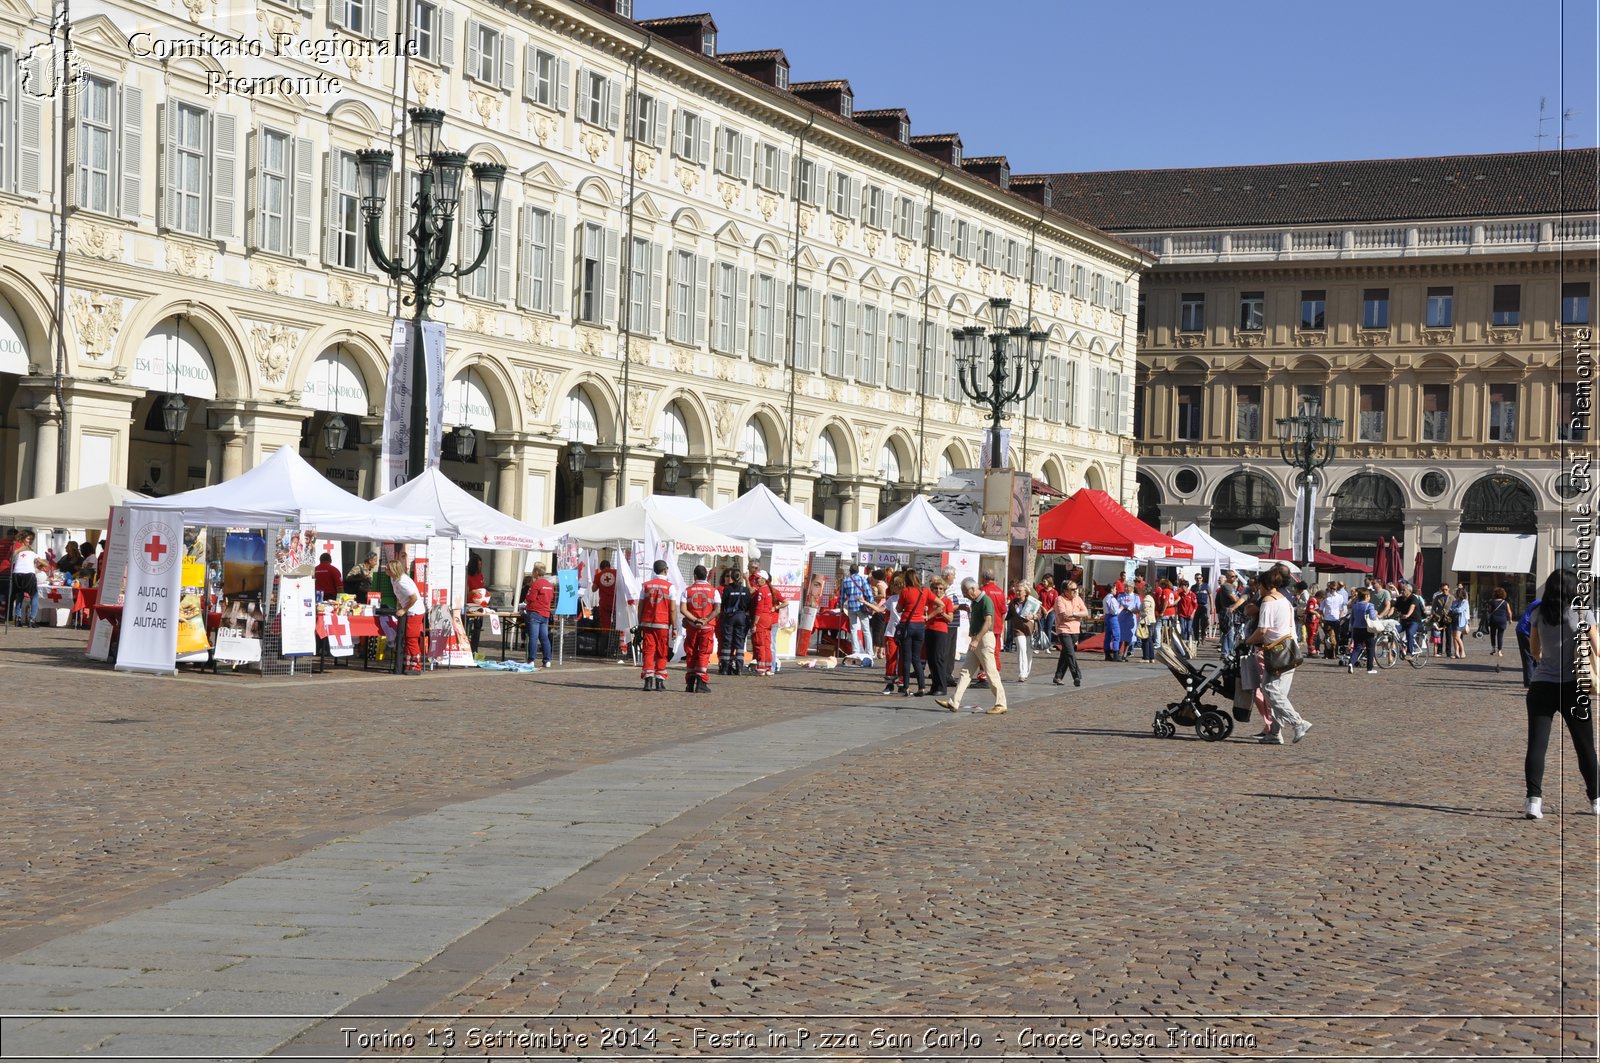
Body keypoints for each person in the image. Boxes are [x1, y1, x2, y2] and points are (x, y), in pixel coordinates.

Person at [1522, 568, 1600, 819]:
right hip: (1573, 686)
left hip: (1542, 685)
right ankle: (1596, 800)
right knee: (1585, 746)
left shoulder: (1537, 612)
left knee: (1537, 745)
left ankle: (1534, 802)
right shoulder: (1582, 613)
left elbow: (1535, 651)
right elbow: (1598, 650)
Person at [1247, 564, 1313, 745]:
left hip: (1276, 652)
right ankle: (1275, 733)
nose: (1259, 590)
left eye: (1260, 586)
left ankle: (1298, 722)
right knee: (1277, 694)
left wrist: (1247, 641)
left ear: (1267, 586)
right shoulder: (1284, 600)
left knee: (1270, 690)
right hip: (1290, 650)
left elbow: (1262, 630)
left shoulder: (1268, 601)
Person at [937, 577, 1008, 715]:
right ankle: (954, 702)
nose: (964, 595)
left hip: (984, 639)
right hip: (976, 639)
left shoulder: (985, 600)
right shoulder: (975, 602)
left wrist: (977, 640)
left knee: (991, 672)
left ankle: (1001, 703)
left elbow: (988, 622)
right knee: (966, 672)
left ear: (973, 589)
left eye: (965, 592)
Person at [680, 565, 720, 693]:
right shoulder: (714, 591)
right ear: (707, 576)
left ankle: (690, 683)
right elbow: (717, 609)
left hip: (692, 626)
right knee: (704, 653)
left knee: (691, 652)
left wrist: (694, 620)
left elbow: (683, 609)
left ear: (695, 576)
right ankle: (701, 683)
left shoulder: (687, 590)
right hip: (707, 626)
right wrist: (705, 620)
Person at [638, 559, 676, 691]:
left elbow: (640, 606)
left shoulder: (646, 585)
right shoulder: (670, 587)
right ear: (665, 569)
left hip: (647, 622)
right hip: (662, 624)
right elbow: (672, 609)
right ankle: (659, 681)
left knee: (648, 651)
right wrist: (674, 627)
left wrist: (639, 623)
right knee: (662, 652)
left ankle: (648, 681)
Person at [895, 570, 932, 697]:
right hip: (920, 625)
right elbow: (940, 604)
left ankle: (906, 687)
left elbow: (898, 609)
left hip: (907, 625)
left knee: (906, 658)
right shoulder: (924, 591)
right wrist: (928, 615)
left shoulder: (905, 591)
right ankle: (921, 687)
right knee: (917, 658)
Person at [387, 557, 425, 674]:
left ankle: (416, 666)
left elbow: (414, 597)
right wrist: (400, 606)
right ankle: (408, 665)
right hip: (409, 610)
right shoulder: (394, 579)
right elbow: (399, 596)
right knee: (407, 638)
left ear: (393, 570)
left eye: (388, 568)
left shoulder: (402, 581)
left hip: (415, 611)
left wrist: (403, 609)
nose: (386, 570)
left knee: (411, 638)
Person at [1051, 581, 1091, 687]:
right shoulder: (1059, 599)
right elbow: (1063, 617)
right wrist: (1078, 616)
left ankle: (1058, 676)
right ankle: (1076, 676)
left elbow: (1086, 613)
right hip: (1063, 630)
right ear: (1065, 591)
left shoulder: (1078, 599)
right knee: (1070, 652)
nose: (1075, 591)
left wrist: (1074, 614)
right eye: (1072, 589)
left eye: (1076, 589)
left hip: (1075, 630)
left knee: (1065, 653)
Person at [839, 564, 877, 666]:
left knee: (853, 629)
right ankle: (869, 652)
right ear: (858, 571)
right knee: (866, 630)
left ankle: (855, 651)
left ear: (850, 571)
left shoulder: (845, 580)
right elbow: (868, 593)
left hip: (851, 607)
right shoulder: (862, 579)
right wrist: (871, 603)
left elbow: (842, 596)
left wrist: (841, 606)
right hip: (862, 606)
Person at [718, 568, 752, 675]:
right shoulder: (745, 590)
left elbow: (723, 603)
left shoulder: (727, 589)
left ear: (732, 577)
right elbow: (748, 604)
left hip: (729, 617)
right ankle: (739, 668)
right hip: (742, 617)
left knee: (727, 642)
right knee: (740, 642)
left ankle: (725, 668)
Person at [924, 576, 954, 698]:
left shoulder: (947, 601)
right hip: (929, 629)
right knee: (931, 659)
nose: (938, 591)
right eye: (936, 588)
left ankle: (942, 687)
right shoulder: (930, 600)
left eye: (941, 588)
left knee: (938, 659)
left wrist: (942, 612)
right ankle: (934, 686)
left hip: (940, 631)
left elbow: (950, 619)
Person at [1007, 581, 1042, 682]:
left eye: (1020, 591)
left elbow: (1039, 614)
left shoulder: (1032, 601)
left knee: (1029, 651)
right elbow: (1010, 614)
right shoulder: (1014, 602)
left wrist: (1033, 616)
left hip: (1030, 628)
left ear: (1025, 592)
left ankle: (1027, 671)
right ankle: (1022, 673)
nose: (1017, 593)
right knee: (1021, 649)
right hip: (1018, 628)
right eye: (1016, 591)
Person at [522, 563, 555, 668]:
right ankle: (547, 660)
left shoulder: (536, 584)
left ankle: (531, 660)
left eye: (533, 570)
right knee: (544, 637)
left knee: (533, 637)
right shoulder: (549, 585)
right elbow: (551, 598)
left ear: (536, 572)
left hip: (535, 612)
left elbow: (530, 598)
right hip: (545, 613)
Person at [750, 570, 779, 677]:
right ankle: (768, 667)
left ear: (764, 579)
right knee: (767, 644)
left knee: (760, 643)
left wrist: (754, 623)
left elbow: (759, 608)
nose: (757, 580)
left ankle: (761, 667)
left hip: (762, 619)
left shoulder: (762, 591)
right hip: (769, 619)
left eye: (759, 578)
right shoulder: (770, 590)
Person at [1347, 587, 1378, 674]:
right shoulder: (1370, 605)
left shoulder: (1355, 605)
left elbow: (1352, 619)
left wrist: (1352, 627)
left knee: (1357, 648)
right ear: (1366, 596)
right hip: (1367, 629)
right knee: (1370, 648)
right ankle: (1369, 668)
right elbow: (1372, 617)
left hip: (1356, 629)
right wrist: (1375, 613)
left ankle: (1351, 663)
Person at [1394, 580, 1426, 658]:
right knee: (1393, 630)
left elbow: (1412, 607)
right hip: (1404, 622)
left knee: (1409, 632)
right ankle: (1400, 646)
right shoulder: (1400, 599)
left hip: (1415, 621)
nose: (1402, 591)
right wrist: (1388, 615)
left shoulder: (1413, 598)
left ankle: (1409, 653)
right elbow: (1394, 608)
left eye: (1404, 590)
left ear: (1409, 591)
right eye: (1401, 590)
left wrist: (1407, 615)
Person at [1516, 596, 1541, 687]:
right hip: (1525, 630)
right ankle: (1530, 682)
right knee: (1529, 656)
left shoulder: (1538, 602)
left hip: (1523, 629)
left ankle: (1532, 679)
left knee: (1530, 656)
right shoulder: (1542, 605)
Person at [1215, 572, 1241, 657]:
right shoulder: (1226, 586)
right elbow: (1234, 599)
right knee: (1230, 632)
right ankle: (1230, 651)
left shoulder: (1230, 587)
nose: (1235, 578)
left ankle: (1225, 652)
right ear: (1228, 577)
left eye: (1235, 576)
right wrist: (1237, 599)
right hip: (1227, 611)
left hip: (1229, 610)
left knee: (1227, 632)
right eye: (1233, 576)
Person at [1485, 586, 1512, 659]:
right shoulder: (1505, 602)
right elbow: (1509, 612)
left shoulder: (1492, 601)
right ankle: (1499, 651)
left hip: (1493, 619)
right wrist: (1510, 620)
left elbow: (1490, 610)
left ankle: (1493, 648)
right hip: (1502, 620)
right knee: (1500, 635)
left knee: (1492, 634)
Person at [1101, 584, 1124, 661]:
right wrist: (1121, 608)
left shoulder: (1105, 598)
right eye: (1115, 589)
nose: (1116, 590)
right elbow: (1114, 611)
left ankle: (1107, 654)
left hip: (1107, 616)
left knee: (1108, 636)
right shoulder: (1111, 599)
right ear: (1111, 589)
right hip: (1112, 617)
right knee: (1116, 636)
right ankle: (1115, 654)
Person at [1450, 586, 1471, 659]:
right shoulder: (1455, 601)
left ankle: (1463, 651)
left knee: (1457, 637)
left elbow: (1459, 610)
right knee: (1454, 637)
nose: (1454, 594)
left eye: (1456, 593)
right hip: (1454, 620)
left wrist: (1453, 610)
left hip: (1460, 621)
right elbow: (1451, 608)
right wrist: (1453, 609)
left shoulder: (1465, 601)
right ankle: (1456, 653)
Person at [1192, 576, 1211, 643]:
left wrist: (1211, 607)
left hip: (1204, 606)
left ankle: (1203, 637)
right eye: (1197, 578)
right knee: (1195, 624)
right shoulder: (1193, 587)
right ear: (1195, 579)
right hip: (1196, 607)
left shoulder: (1206, 586)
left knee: (1204, 623)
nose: (1198, 579)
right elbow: (1191, 597)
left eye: (1199, 578)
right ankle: (1196, 639)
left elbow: (1210, 596)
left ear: (1202, 578)